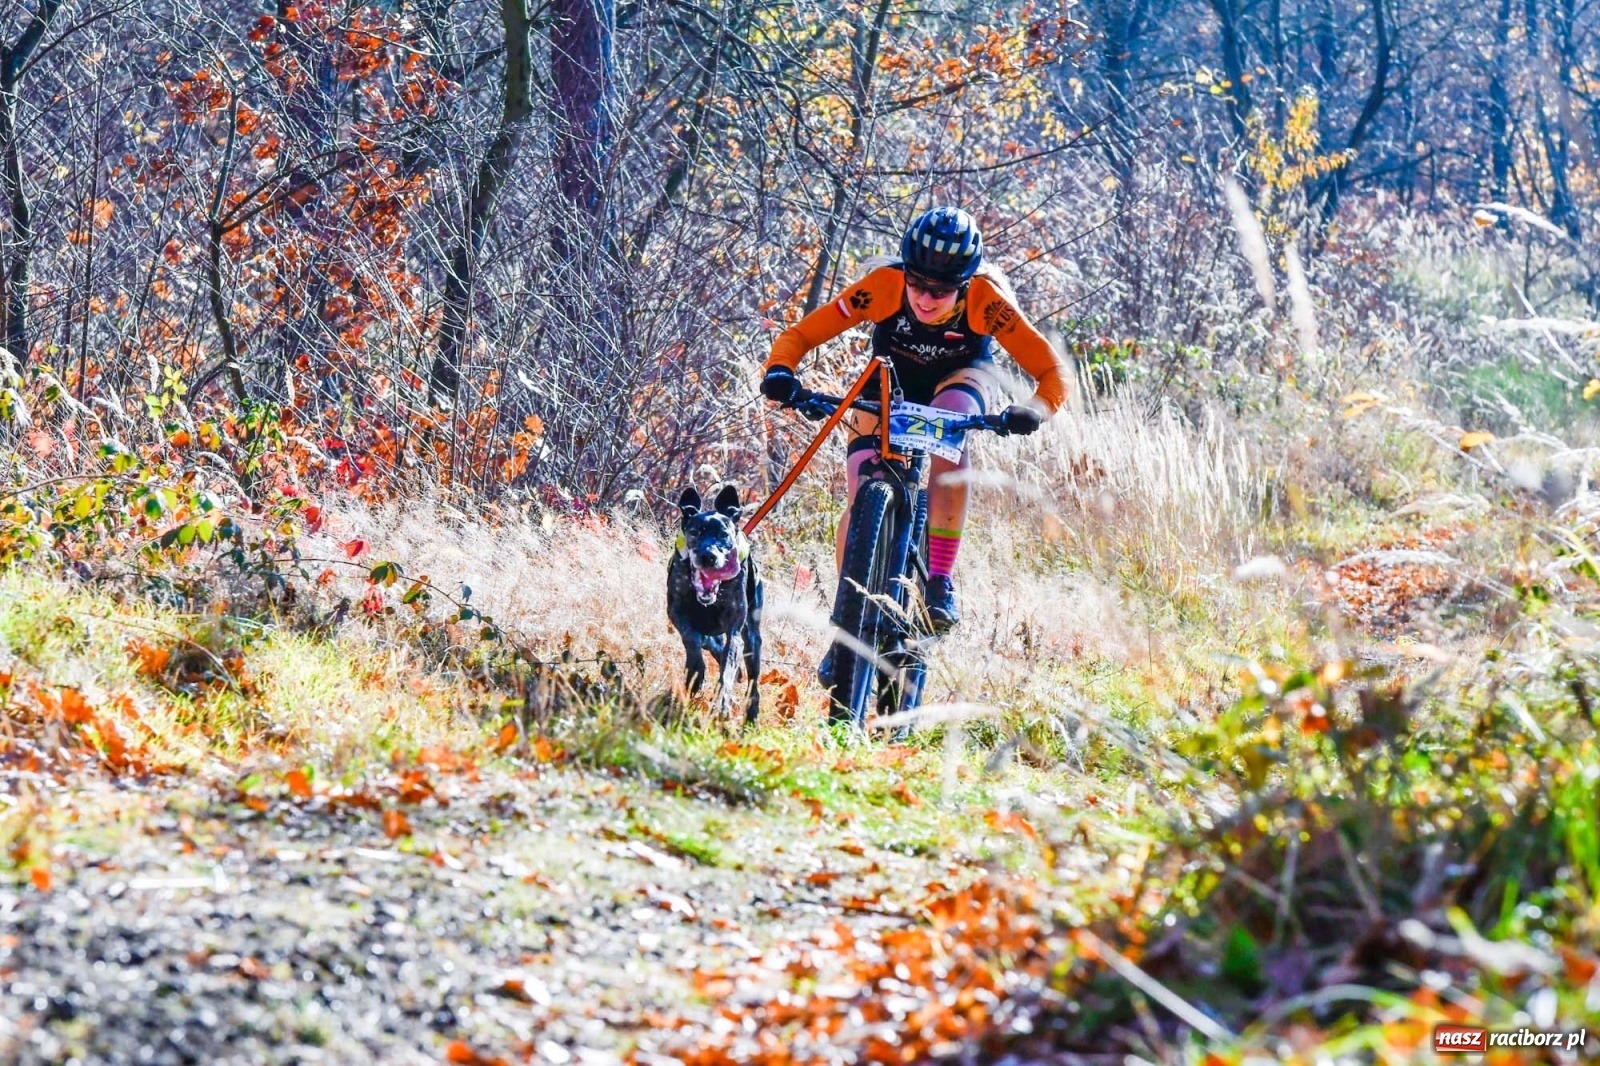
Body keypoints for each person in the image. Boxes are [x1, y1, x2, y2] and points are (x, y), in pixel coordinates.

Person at [759, 206, 1069, 634]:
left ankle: (939, 580)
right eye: (917, 284)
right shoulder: (882, 287)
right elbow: (802, 335)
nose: (924, 299)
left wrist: (1033, 410)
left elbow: (1053, 373)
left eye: (939, 291)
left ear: (963, 286)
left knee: (951, 423)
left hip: (960, 379)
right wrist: (781, 370)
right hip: (890, 381)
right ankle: (849, 610)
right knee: (861, 489)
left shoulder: (987, 302)